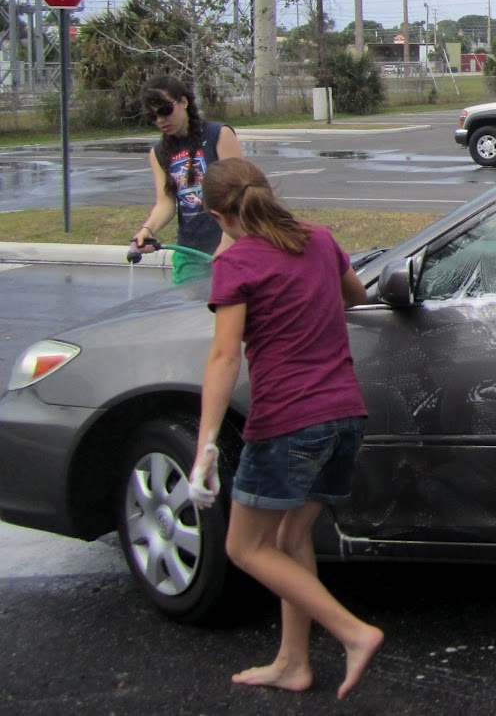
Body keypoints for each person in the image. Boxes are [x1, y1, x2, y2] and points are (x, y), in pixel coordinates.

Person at [188, 158, 382, 700]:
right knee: (290, 539)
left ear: (217, 216)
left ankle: (352, 632)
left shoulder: (238, 263)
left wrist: (205, 448)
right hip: (344, 415)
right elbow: (357, 296)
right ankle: (293, 662)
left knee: (245, 548)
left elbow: (225, 356)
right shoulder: (318, 239)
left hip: (288, 423)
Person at [130, 76, 245, 284]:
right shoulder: (159, 153)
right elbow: (165, 203)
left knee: (231, 311)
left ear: (184, 102)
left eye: (165, 111)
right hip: (189, 250)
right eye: (152, 117)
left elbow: (239, 193)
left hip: (233, 245)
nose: (160, 120)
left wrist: (227, 242)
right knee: (187, 312)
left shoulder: (219, 134)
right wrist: (147, 231)